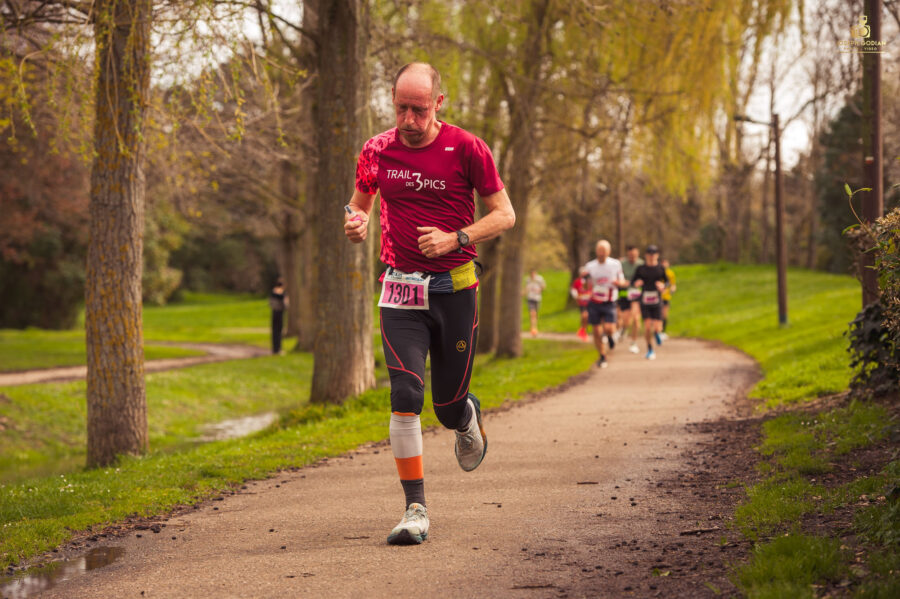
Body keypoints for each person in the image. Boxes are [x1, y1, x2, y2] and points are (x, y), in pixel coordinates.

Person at [343, 62, 515, 545]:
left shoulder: (467, 147)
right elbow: (359, 205)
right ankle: (415, 508)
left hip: (455, 288)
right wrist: (355, 223)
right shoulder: (377, 149)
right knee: (405, 396)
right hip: (399, 288)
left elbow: (505, 214)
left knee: (445, 405)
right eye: (401, 108)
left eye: (419, 110)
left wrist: (456, 237)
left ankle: (466, 416)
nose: (409, 119)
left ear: (438, 103)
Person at [583, 240, 627, 368]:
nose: (602, 253)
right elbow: (585, 284)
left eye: (604, 251)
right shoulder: (590, 266)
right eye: (599, 250)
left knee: (609, 328)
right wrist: (584, 279)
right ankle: (602, 356)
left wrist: (618, 283)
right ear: (596, 251)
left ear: (609, 251)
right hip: (595, 301)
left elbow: (622, 280)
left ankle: (610, 337)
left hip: (610, 301)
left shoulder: (615, 264)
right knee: (596, 331)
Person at [631, 245, 668, 360]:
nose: (651, 257)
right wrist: (637, 283)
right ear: (646, 255)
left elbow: (667, 282)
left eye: (654, 254)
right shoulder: (641, 268)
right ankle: (650, 349)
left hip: (657, 301)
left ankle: (657, 333)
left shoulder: (661, 268)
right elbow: (633, 281)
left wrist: (663, 286)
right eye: (649, 254)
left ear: (657, 255)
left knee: (657, 327)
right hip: (645, 301)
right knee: (647, 327)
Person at [617, 245, 644, 354]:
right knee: (626, 320)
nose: (633, 258)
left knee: (636, 319)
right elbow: (616, 277)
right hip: (624, 294)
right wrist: (622, 283)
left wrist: (641, 282)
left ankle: (633, 342)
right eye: (630, 256)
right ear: (627, 255)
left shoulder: (642, 264)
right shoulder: (621, 264)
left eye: (635, 255)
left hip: (637, 294)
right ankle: (623, 329)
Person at [569, 267, 592, 341]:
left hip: (589, 301)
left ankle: (583, 330)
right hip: (582, 302)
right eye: (583, 273)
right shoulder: (577, 281)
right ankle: (583, 330)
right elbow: (573, 290)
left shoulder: (590, 281)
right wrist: (576, 296)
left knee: (587, 316)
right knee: (584, 315)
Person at [523, 270, 546, 337]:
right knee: (532, 313)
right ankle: (533, 329)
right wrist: (523, 293)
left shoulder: (539, 279)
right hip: (530, 298)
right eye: (531, 274)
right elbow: (526, 288)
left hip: (537, 298)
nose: (532, 275)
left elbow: (544, 286)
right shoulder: (528, 280)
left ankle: (534, 327)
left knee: (535, 314)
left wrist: (540, 290)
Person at [269, 278, 288, 355]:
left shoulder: (273, 292)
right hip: (280, 313)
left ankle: (274, 348)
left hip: (274, 313)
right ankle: (278, 349)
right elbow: (286, 304)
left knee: (274, 331)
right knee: (279, 331)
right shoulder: (283, 293)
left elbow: (270, 303)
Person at [660, 258, 677, 341]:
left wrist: (672, 289)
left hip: (666, 297)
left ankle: (663, 332)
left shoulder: (670, 273)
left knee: (665, 315)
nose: (664, 265)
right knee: (658, 315)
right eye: (663, 263)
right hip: (658, 297)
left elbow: (673, 284)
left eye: (666, 263)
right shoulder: (657, 272)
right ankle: (658, 331)